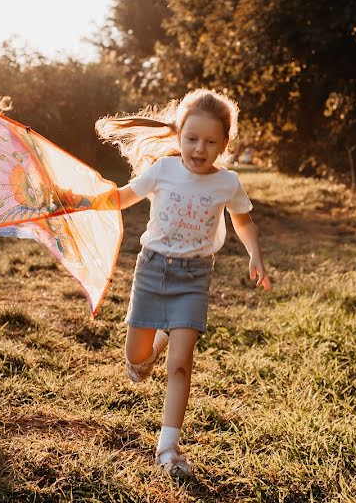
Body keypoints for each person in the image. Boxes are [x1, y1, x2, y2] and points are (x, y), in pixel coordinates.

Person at [96, 89, 272, 477]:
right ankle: (157, 341)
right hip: (152, 270)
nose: (199, 148)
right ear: (178, 135)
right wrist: (86, 200)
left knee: (181, 365)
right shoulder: (163, 170)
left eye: (211, 142)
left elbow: (243, 221)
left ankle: (168, 449)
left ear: (224, 144)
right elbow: (123, 198)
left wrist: (254, 254)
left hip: (194, 277)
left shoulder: (227, 182)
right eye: (192, 139)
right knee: (137, 364)